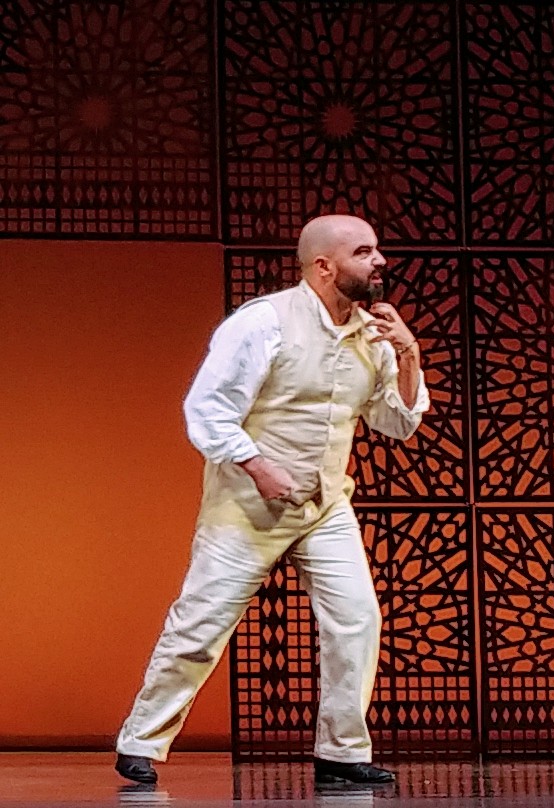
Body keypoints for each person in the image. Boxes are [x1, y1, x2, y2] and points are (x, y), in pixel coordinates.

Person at [113, 214, 429, 786]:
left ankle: (341, 752)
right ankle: (141, 741)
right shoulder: (265, 321)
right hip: (248, 505)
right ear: (324, 266)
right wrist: (258, 467)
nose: (379, 261)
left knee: (357, 620)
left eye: (376, 250)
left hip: (325, 505)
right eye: (364, 252)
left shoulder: (373, 334)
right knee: (201, 625)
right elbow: (208, 408)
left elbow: (397, 422)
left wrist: (408, 353)